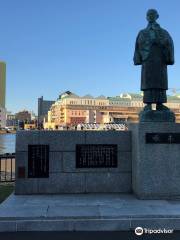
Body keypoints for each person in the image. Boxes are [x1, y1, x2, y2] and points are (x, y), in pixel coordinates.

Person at [134, 9, 174, 111]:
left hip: (160, 59)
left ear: (157, 16)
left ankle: (160, 104)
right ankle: (148, 104)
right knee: (148, 81)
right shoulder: (142, 32)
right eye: (148, 15)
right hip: (148, 59)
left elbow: (169, 43)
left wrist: (160, 42)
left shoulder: (163, 32)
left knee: (160, 81)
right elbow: (138, 45)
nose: (150, 16)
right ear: (146, 17)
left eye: (152, 14)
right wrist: (149, 43)